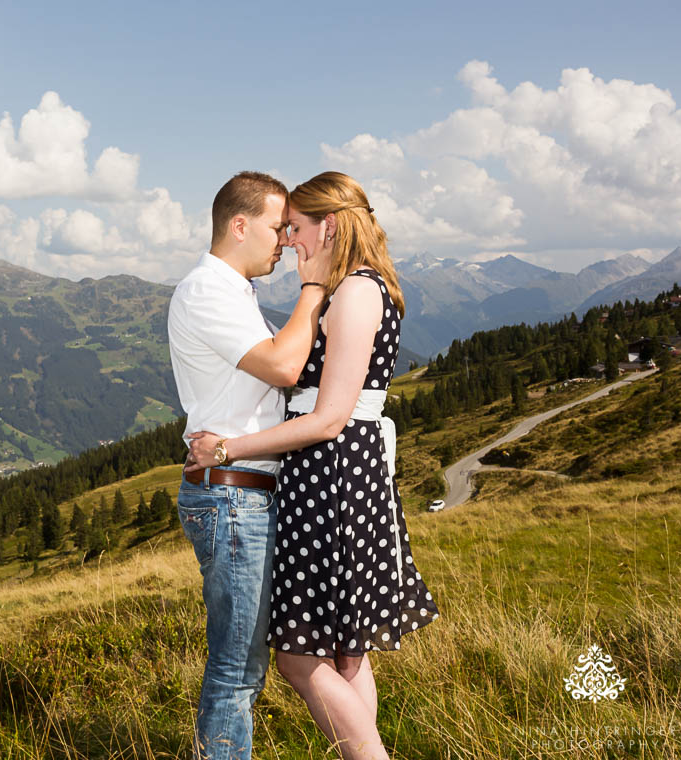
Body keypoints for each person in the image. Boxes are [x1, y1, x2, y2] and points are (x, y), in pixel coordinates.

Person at [186, 172, 440, 760]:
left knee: (301, 656)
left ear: (328, 225)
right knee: (347, 651)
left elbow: (328, 418)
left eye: (295, 228)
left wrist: (227, 449)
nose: (289, 242)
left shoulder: (354, 291)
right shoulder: (358, 288)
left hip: (332, 474)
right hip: (340, 474)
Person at [167, 170, 334, 760]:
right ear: (239, 225)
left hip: (242, 490)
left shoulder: (234, 292)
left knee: (243, 666)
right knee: (237, 670)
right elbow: (283, 368)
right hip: (233, 496)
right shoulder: (206, 291)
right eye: (276, 226)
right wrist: (313, 289)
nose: (285, 240)